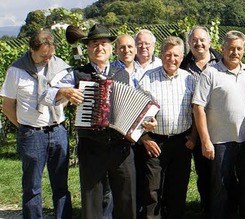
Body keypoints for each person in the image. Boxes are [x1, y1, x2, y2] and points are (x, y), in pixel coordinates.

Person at [52, 24, 137, 218]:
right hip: (92, 147)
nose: (99, 47)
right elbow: (47, 94)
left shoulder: (123, 74)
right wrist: (62, 92)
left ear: (110, 48)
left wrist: (144, 121)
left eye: (104, 43)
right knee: (92, 200)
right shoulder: (77, 74)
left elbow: (136, 104)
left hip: (121, 147)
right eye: (94, 44)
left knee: (127, 197)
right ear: (88, 48)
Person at [0, 30, 72, 219]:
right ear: (31, 50)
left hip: (58, 131)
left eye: (51, 54)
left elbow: (67, 98)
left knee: (61, 186)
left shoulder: (61, 67)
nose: (48, 59)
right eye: (43, 55)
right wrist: (25, 126)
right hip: (32, 134)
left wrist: (61, 100)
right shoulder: (16, 71)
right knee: (32, 188)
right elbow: (7, 107)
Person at [192, 30, 245, 219]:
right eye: (230, 48)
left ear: (244, 50)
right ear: (222, 49)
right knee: (220, 186)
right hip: (220, 142)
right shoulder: (210, 73)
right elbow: (198, 107)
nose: (235, 52)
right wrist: (205, 141)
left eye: (239, 49)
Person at [136, 36, 197, 218]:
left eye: (176, 55)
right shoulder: (147, 79)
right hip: (155, 142)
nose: (172, 59)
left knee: (177, 188)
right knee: (152, 190)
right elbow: (135, 112)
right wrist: (144, 138)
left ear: (182, 56)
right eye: (168, 54)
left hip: (181, 143)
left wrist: (193, 137)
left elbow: (196, 111)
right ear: (161, 55)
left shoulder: (189, 79)